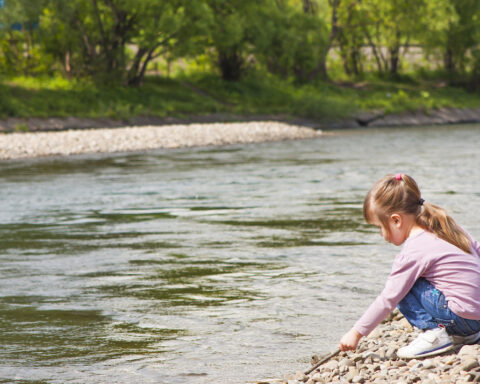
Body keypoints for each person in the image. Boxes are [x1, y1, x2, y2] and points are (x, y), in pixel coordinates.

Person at [339, 173, 480, 359]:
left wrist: (356, 333)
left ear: (396, 220)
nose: (381, 234)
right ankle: (466, 335)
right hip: (477, 318)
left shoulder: (413, 251)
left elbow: (388, 298)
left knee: (403, 286)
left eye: (379, 227)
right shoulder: (446, 226)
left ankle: (434, 333)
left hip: (461, 318)